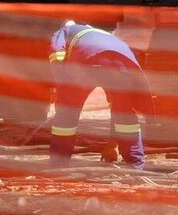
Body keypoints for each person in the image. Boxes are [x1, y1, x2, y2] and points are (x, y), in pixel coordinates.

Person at [48, 21, 155, 169]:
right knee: (124, 115)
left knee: (66, 116)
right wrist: (112, 145)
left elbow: (57, 54)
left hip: (86, 61)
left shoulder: (65, 31)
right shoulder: (106, 36)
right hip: (122, 65)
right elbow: (116, 108)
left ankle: (58, 164)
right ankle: (136, 165)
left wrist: (61, 85)